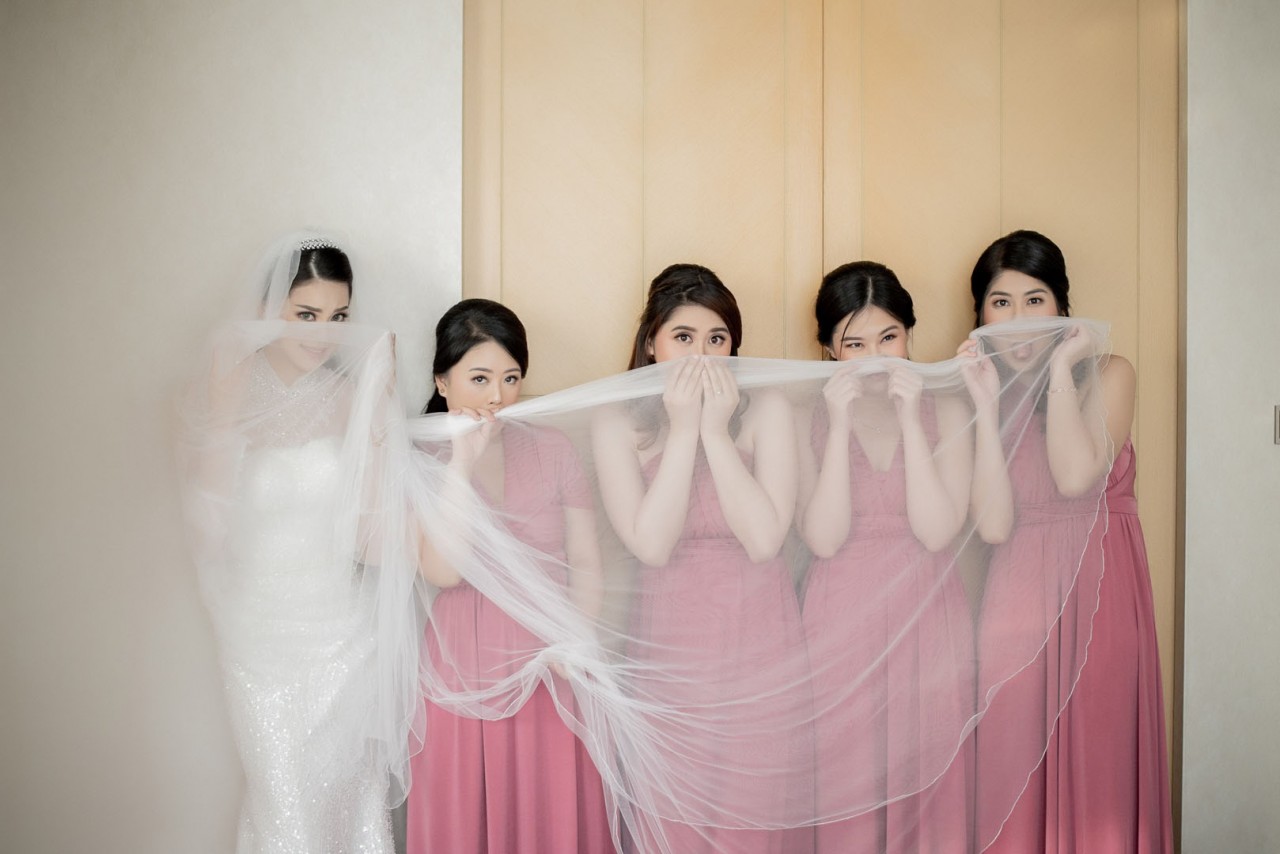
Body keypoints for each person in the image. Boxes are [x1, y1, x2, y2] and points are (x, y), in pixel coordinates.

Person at [179, 234, 415, 853]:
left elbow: (373, 541)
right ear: (268, 311)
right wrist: (224, 412)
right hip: (259, 638)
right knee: (282, 806)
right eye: (306, 315)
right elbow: (207, 530)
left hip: (344, 634)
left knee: (347, 803)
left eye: (339, 317)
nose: (324, 334)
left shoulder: (346, 397)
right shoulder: (230, 385)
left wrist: (381, 403)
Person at [958, 230, 1172, 853]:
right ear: (980, 316)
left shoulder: (1111, 373)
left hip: (1100, 600)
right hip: (1016, 605)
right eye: (1001, 303)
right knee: (1014, 779)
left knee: (1099, 768)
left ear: (1062, 306)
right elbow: (991, 525)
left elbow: (1078, 476)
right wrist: (983, 405)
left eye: (1036, 300)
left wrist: (1055, 367)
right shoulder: (982, 394)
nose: (1019, 320)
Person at [591, 264, 814, 854]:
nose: (701, 355)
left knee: (753, 811)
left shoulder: (767, 411)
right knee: (676, 814)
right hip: (670, 643)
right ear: (651, 343)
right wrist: (684, 430)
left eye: (717, 339)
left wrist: (715, 434)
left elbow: (765, 540)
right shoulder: (616, 424)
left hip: (761, 638)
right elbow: (651, 544)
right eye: (683, 337)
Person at [405, 299, 614, 854]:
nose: (497, 396)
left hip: (548, 657)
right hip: (462, 662)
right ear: (442, 381)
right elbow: (442, 570)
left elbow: (586, 560)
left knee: (548, 812)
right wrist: (459, 466)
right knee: (467, 814)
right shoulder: (421, 457)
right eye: (479, 378)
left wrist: (575, 638)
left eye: (511, 377)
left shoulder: (553, 449)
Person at [797, 262, 975, 853]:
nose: (874, 357)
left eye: (888, 337)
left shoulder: (946, 411)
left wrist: (910, 420)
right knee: (846, 783)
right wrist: (839, 424)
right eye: (855, 344)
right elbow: (823, 539)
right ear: (828, 348)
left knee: (927, 789)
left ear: (909, 336)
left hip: (927, 615)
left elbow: (937, 531)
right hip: (839, 619)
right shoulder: (807, 418)